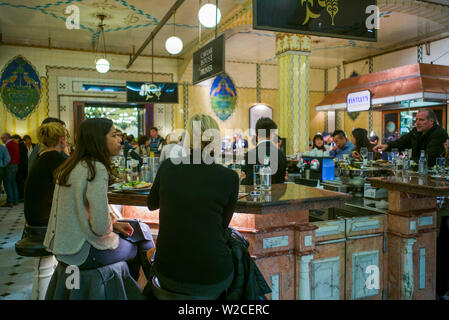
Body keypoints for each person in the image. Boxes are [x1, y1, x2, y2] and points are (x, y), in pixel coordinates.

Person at [44, 118, 154, 281]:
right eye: (114, 135)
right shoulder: (96, 168)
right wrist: (111, 226)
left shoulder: (71, 166)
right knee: (138, 245)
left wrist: (114, 224)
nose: (120, 139)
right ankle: (136, 292)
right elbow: (100, 228)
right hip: (83, 251)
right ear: (98, 139)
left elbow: (80, 213)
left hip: (62, 247)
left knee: (136, 231)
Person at [147, 114, 239, 298]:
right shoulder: (229, 177)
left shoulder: (167, 166)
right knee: (240, 254)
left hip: (167, 272)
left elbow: (151, 204)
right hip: (211, 276)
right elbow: (222, 226)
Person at [24, 122, 67, 226]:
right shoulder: (55, 158)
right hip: (44, 218)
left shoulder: (41, 156)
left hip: (32, 216)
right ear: (61, 140)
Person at [373, 109, 448, 166]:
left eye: (421, 120)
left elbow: (430, 159)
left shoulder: (439, 133)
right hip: (417, 172)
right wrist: (387, 146)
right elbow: (403, 142)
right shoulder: (416, 131)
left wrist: (407, 161)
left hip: (433, 175)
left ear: (431, 121)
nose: (417, 123)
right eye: (416, 120)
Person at [241, 117, 287, 185]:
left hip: (258, 194)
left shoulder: (251, 154)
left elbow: (250, 182)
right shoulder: (281, 155)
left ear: (256, 134)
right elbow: (282, 180)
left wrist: (242, 180)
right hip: (277, 194)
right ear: (272, 134)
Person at [1, 133, 20, 207]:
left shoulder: (8, 145)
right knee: (13, 183)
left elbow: (7, 158)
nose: (2, 140)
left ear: (6, 138)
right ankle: (16, 200)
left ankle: (10, 201)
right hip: (16, 165)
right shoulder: (15, 144)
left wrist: (4, 165)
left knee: (8, 183)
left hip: (9, 166)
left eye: (2, 138)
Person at [12, 134, 28, 201]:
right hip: (24, 166)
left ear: (17, 139)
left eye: (13, 140)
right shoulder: (23, 145)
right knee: (22, 181)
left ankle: (21, 196)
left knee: (19, 181)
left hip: (21, 166)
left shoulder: (19, 146)